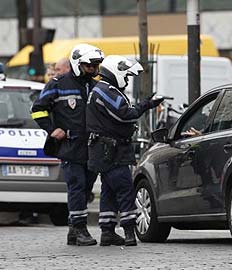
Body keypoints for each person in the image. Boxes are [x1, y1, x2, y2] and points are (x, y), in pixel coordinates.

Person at [30, 43, 105, 246]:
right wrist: (51, 129)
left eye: (96, 65)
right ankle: (80, 229)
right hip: (71, 147)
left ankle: (73, 229)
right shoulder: (58, 83)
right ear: (77, 63)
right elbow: (38, 109)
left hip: (92, 147)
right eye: (89, 65)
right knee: (77, 186)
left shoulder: (96, 85)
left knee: (86, 188)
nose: (93, 69)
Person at [86, 55, 164, 246]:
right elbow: (125, 115)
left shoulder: (105, 89)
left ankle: (108, 231)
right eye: (126, 76)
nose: (127, 80)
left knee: (109, 191)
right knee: (124, 190)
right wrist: (147, 105)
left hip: (108, 149)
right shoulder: (105, 90)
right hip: (112, 151)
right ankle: (129, 232)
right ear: (116, 72)